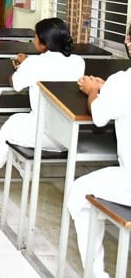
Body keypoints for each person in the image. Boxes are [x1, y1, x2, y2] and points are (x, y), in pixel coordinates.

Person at [0, 17, 85, 181]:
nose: (33, 40)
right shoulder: (78, 62)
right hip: (69, 135)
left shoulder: (35, 64)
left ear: (44, 42)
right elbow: (53, 66)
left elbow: (15, 83)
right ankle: (21, 165)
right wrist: (29, 63)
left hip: (42, 133)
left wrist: (21, 67)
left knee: (9, 126)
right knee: (18, 124)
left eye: (35, 36)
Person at [68, 62, 131, 278]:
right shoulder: (118, 84)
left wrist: (93, 91)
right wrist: (108, 88)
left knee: (79, 191)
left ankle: (96, 273)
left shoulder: (123, 81)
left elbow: (98, 116)